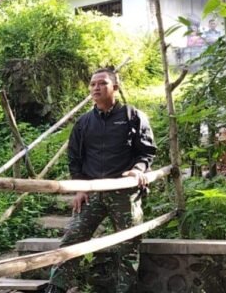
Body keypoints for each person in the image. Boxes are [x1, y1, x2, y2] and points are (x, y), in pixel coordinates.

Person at [44, 68, 156, 293]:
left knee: (129, 245)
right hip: (92, 193)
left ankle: (125, 290)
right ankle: (56, 288)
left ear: (115, 87)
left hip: (124, 193)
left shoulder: (132, 116)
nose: (96, 87)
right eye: (93, 84)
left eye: (102, 83)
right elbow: (75, 158)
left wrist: (138, 169)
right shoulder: (84, 122)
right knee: (72, 238)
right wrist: (80, 188)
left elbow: (147, 151)